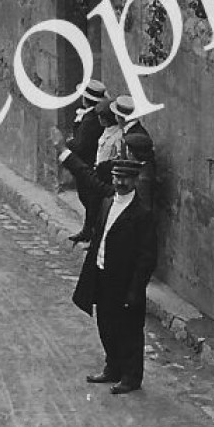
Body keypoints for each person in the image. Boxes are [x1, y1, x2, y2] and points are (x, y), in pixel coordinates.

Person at [59, 153, 157, 395]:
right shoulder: (107, 203)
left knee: (129, 331)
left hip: (124, 283)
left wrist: (135, 290)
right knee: (106, 326)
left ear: (134, 181)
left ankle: (131, 377)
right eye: (117, 178)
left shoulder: (142, 213)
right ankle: (112, 367)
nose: (120, 183)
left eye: (126, 179)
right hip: (102, 275)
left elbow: (147, 258)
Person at [65, 80, 108, 242]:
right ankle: (88, 230)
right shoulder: (88, 115)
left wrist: (69, 143)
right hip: (87, 162)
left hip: (87, 163)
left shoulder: (90, 119)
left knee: (89, 198)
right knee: (88, 199)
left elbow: (82, 145)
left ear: (85, 99)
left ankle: (91, 232)